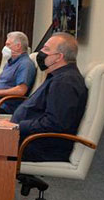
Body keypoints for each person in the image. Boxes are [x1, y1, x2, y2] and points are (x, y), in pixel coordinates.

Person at [11, 33, 88, 162]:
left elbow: (54, 124)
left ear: (58, 57)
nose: (40, 52)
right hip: (30, 140)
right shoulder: (58, 76)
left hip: (38, 147)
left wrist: (17, 126)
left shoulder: (65, 82)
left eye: (46, 49)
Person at [0, 31, 37, 114]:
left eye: (8, 45)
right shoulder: (10, 62)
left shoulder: (25, 64)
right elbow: (5, 83)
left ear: (18, 46)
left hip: (4, 106)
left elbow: (21, 90)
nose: (5, 47)